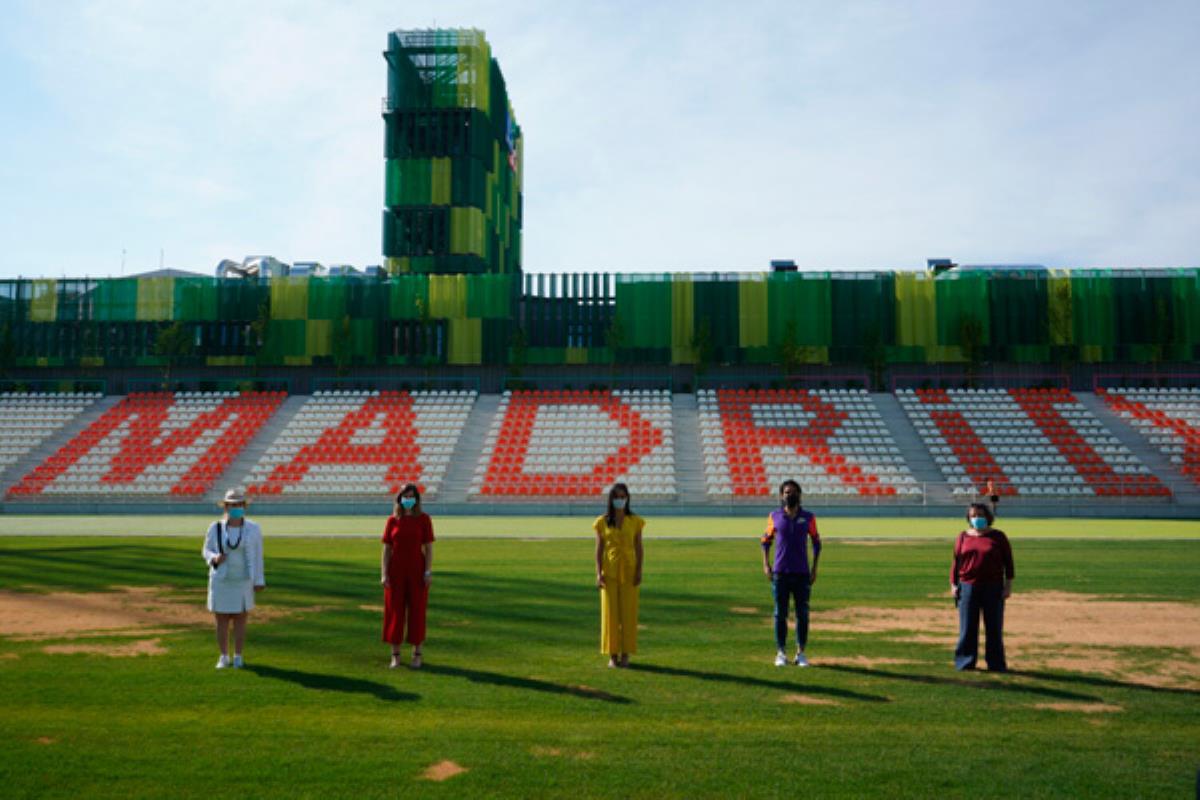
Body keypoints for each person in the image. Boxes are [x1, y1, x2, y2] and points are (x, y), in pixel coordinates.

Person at [202, 488, 265, 669]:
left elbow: (258, 555)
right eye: (232, 505)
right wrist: (214, 558)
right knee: (221, 619)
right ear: (226, 507)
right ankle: (223, 656)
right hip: (221, 579)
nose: (236, 507)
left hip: (243, 579)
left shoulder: (253, 528)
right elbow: (206, 550)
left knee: (240, 619)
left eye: (239, 504)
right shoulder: (215, 527)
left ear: (244, 506)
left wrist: (259, 580)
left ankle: (238, 656)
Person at [761, 480, 821, 667]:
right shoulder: (774, 516)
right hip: (780, 573)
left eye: (793, 492)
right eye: (787, 492)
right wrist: (766, 564)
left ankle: (800, 653)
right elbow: (765, 541)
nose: (790, 495)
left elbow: (817, 543)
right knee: (780, 613)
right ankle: (781, 653)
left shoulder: (808, 518)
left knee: (802, 613)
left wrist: (814, 568)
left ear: (799, 495)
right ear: (781, 495)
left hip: (802, 573)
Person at [950, 502, 1015, 672]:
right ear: (968, 518)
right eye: (973, 515)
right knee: (967, 627)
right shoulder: (963, 537)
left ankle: (996, 663)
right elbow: (956, 562)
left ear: (988, 517)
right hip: (967, 586)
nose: (977, 518)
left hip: (993, 587)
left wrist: (1008, 585)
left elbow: (1008, 562)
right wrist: (953, 584)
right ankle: (965, 662)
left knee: (993, 627)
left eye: (980, 515)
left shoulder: (998, 536)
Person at [381, 483, 435, 669]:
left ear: (417, 499)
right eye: (405, 496)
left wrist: (428, 571)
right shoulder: (392, 520)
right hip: (396, 572)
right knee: (395, 613)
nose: (408, 500)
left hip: (417, 572)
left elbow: (428, 548)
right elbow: (386, 549)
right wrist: (384, 574)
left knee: (417, 612)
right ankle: (395, 655)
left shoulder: (424, 519)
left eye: (411, 496)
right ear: (399, 498)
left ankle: (417, 654)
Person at [594, 483, 644, 668]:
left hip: (630, 572)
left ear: (628, 498)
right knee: (610, 615)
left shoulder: (636, 521)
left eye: (623, 497)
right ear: (611, 499)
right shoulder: (602, 521)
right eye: (617, 497)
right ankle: (612, 655)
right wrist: (598, 573)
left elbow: (639, 547)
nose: (620, 500)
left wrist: (639, 570)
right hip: (610, 573)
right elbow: (599, 550)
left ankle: (626, 654)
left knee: (628, 614)